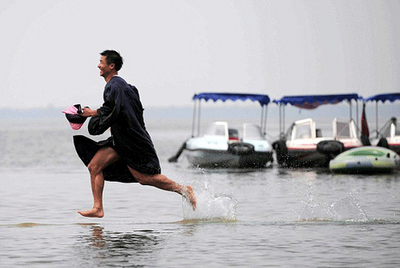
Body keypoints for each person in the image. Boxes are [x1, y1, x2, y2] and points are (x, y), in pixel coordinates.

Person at [77, 50, 196, 218]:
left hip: (130, 141)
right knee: (94, 166)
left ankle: (184, 189)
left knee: (144, 178)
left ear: (111, 66)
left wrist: (92, 113)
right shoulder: (122, 86)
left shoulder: (115, 85)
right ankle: (98, 208)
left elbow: (111, 108)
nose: (98, 65)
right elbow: (120, 111)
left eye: (101, 62)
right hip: (120, 139)